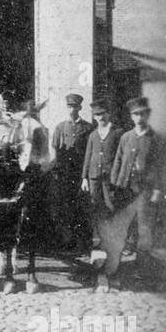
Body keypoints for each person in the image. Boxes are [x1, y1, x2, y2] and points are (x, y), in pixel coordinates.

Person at [97, 96, 165, 289]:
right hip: (125, 190)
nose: (138, 117)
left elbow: (160, 166)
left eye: (142, 113)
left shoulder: (155, 139)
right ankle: (118, 270)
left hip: (145, 191)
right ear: (131, 116)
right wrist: (114, 186)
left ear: (148, 114)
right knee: (121, 230)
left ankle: (142, 271)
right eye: (135, 114)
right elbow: (118, 161)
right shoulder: (126, 137)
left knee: (144, 230)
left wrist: (158, 189)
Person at [51, 92, 94, 251]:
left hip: (81, 173)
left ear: (80, 107)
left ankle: (82, 242)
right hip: (64, 173)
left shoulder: (88, 127)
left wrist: (86, 175)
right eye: (69, 106)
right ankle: (66, 241)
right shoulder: (61, 127)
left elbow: (91, 151)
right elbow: (55, 150)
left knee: (81, 207)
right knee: (65, 206)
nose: (72, 109)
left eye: (74, 106)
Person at [80, 98, 123, 247]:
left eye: (102, 114)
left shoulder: (117, 132)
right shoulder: (93, 135)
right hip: (93, 177)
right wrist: (84, 178)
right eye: (96, 115)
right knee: (96, 207)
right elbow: (88, 156)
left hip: (110, 177)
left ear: (108, 114)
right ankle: (99, 240)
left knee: (112, 207)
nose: (100, 118)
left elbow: (121, 156)